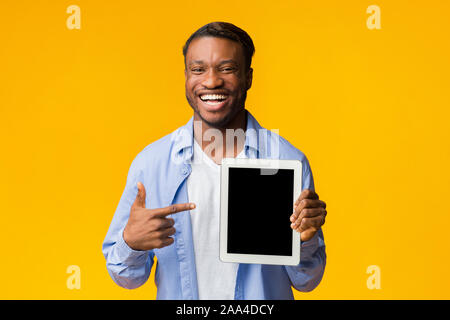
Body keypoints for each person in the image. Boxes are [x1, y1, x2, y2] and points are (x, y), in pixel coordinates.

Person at [102, 21, 327, 300]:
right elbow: (126, 277)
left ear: (248, 77)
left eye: (227, 68)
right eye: (198, 70)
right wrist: (130, 243)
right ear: (186, 76)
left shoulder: (286, 161)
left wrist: (305, 241)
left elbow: (307, 281)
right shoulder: (152, 164)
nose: (211, 81)